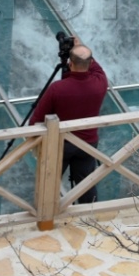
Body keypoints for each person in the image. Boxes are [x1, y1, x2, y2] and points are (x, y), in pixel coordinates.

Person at [28, 40, 108, 203]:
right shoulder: (100, 83)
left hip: (61, 144)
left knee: (49, 183)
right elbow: (95, 66)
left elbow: (36, 119)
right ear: (90, 62)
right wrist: (79, 45)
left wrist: (34, 142)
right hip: (88, 144)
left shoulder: (57, 89)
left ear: (70, 63)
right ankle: (90, 217)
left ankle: (47, 218)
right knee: (86, 184)